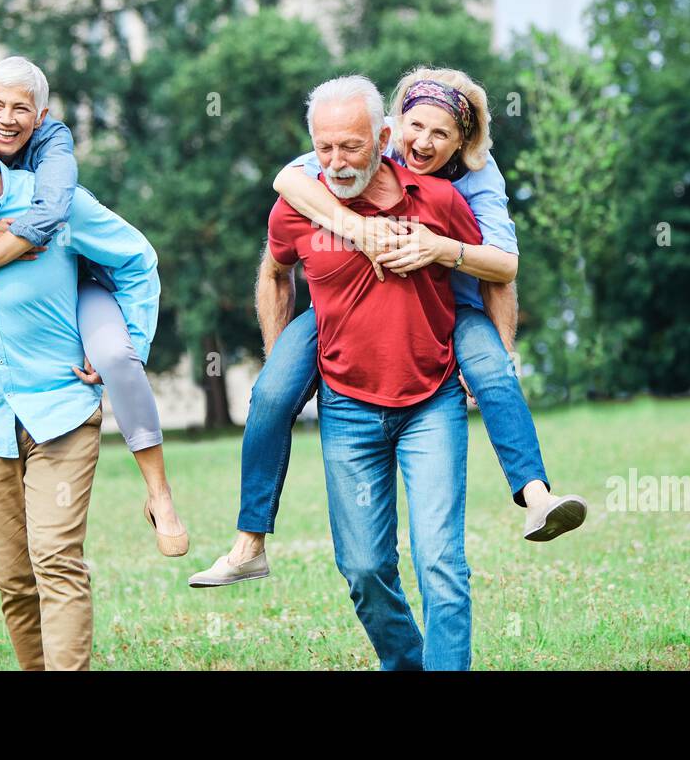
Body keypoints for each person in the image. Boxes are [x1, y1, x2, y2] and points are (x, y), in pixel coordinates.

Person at [194, 66, 585, 587]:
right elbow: (288, 180)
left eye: (441, 133)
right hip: (343, 310)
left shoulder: (476, 179)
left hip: (455, 305)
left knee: (493, 372)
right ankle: (249, 543)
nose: (423, 141)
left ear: (462, 142)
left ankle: (537, 498)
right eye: (415, 126)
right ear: (395, 126)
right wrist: (357, 230)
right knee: (271, 392)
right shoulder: (370, 147)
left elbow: (504, 268)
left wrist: (444, 251)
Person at [197, 76, 480, 668]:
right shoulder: (298, 204)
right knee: (362, 568)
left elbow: (490, 272)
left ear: (383, 137)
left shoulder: (436, 198)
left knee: (440, 563)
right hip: (348, 409)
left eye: (350, 146)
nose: (336, 161)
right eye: (323, 147)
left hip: (432, 402)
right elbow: (275, 272)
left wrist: (492, 358)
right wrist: (280, 355)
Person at [0, 57, 186, 595]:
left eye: (20, 108)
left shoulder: (53, 152)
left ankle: (159, 494)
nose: (6, 119)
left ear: (40, 114)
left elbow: (52, 219)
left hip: (80, 284)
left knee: (117, 359)